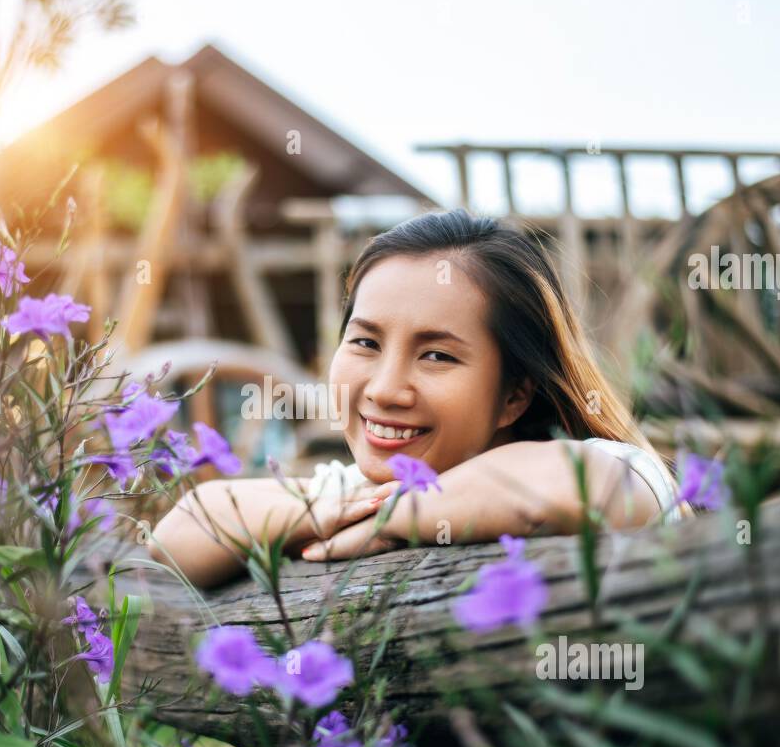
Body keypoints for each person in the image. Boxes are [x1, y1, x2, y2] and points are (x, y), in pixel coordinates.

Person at [150, 208, 691, 589]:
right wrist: (321, 510)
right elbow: (184, 529)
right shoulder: (353, 493)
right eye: (365, 342)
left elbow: (582, 484)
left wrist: (392, 521)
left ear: (515, 395)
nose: (385, 389)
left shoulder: (626, 471)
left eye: (436, 356)